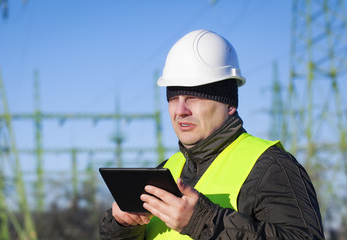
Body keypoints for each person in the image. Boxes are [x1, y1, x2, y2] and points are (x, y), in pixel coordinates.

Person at [99, 29, 325, 239]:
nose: (180, 111)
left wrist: (202, 222)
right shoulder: (166, 171)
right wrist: (123, 226)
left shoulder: (271, 167)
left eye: (193, 98)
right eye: (173, 99)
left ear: (229, 105)